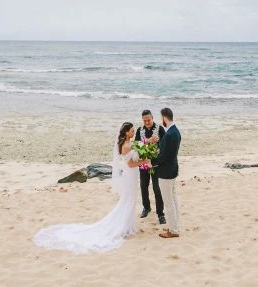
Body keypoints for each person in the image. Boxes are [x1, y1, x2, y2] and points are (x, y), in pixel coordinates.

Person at [33, 121, 151, 254]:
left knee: (130, 199)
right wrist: (144, 161)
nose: (133, 132)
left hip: (132, 175)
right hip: (130, 175)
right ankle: (124, 227)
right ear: (125, 132)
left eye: (133, 130)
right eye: (131, 130)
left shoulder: (130, 143)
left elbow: (135, 154)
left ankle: (128, 225)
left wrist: (143, 149)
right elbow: (130, 164)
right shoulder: (126, 146)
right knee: (128, 200)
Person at [154, 107, 182, 239]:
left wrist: (152, 161)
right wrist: (159, 141)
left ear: (165, 117)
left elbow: (163, 156)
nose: (162, 121)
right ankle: (174, 224)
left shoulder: (170, 134)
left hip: (166, 172)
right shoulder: (175, 131)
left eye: (162, 118)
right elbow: (169, 150)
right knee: (173, 198)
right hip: (173, 169)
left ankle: (173, 230)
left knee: (168, 201)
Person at [136, 109, 166, 224]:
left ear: (152, 118)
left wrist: (159, 142)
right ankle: (146, 207)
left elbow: (165, 145)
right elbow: (137, 146)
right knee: (143, 186)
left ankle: (160, 213)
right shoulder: (140, 130)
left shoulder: (160, 129)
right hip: (143, 162)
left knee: (157, 188)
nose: (147, 122)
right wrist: (148, 141)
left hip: (156, 163)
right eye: (144, 120)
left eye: (148, 120)